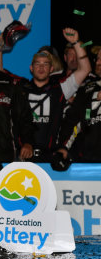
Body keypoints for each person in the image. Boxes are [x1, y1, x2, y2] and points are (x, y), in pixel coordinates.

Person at [23, 28, 91, 162]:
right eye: (37, 64)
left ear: (51, 69)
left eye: (45, 64)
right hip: (24, 155)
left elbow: (85, 69)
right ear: (31, 68)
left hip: (51, 156)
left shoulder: (60, 89)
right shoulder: (20, 90)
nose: (41, 68)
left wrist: (76, 42)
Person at [55, 44, 101, 162]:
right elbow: (73, 120)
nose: (98, 62)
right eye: (97, 58)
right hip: (89, 158)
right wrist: (63, 147)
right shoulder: (87, 88)